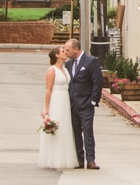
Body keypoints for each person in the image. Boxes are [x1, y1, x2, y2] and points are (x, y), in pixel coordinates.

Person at [64, 38, 102, 169]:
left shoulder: (91, 61)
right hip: (73, 104)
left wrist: (93, 100)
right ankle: (79, 159)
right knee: (75, 132)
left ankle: (90, 159)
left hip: (86, 104)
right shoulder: (68, 64)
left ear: (76, 49)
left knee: (87, 132)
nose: (65, 52)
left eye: (67, 50)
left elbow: (97, 81)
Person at [38, 48, 78, 169]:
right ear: (57, 55)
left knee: (65, 127)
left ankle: (64, 158)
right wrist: (46, 108)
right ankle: (53, 158)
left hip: (64, 99)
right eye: (63, 51)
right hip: (56, 99)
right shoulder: (52, 70)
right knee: (56, 127)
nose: (66, 52)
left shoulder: (65, 69)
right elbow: (48, 89)